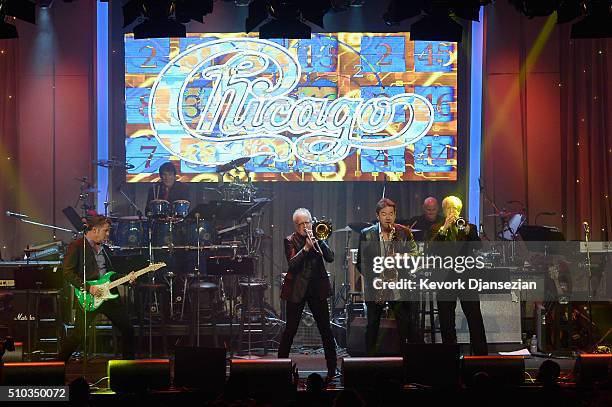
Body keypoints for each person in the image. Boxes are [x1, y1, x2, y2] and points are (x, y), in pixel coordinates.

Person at [58, 215, 135, 362]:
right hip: (89, 296)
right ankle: (55, 368)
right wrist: (87, 287)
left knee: (128, 329)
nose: (108, 234)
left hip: (109, 295)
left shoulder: (104, 249)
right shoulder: (77, 246)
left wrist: (126, 278)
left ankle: (128, 370)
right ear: (94, 230)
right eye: (105, 231)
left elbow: (109, 275)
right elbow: (67, 273)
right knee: (78, 336)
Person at [278, 208, 337, 381]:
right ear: (296, 226)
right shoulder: (289, 240)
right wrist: (305, 248)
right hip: (297, 290)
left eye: (307, 222)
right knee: (290, 330)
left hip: (317, 290)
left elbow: (330, 258)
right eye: (301, 224)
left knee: (326, 329)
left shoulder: (319, 236)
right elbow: (292, 264)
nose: (305, 226)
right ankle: (280, 367)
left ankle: (332, 368)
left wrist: (321, 241)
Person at [357, 198, 421, 356]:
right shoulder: (367, 234)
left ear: (395, 215)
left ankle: (405, 361)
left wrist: (400, 257)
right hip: (377, 285)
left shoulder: (403, 232)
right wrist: (375, 279)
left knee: (404, 325)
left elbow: (415, 254)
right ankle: (369, 363)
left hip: (398, 284)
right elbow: (361, 262)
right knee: (372, 326)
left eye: (391, 214)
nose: (388, 218)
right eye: (384, 214)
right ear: (377, 215)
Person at [430, 196, 488, 355]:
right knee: (446, 320)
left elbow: (478, 247)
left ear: (460, 211)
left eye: (455, 209)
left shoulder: (470, 227)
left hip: (466, 278)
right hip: (445, 279)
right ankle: (450, 355)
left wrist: (469, 232)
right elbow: (432, 250)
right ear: (444, 211)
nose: (452, 212)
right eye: (449, 208)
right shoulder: (436, 228)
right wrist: (445, 228)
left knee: (475, 317)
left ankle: (481, 355)